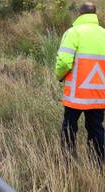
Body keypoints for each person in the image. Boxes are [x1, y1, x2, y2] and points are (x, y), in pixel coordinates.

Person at [56, 2, 105, 164]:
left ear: (80, 14)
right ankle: (98, 163)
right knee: (96, 129)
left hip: (76, 95)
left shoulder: (73, 33)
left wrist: (59, 76)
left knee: (69, 128)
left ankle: (68, 162)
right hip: (99, 95)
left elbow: (64, 62)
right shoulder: (103, 34)